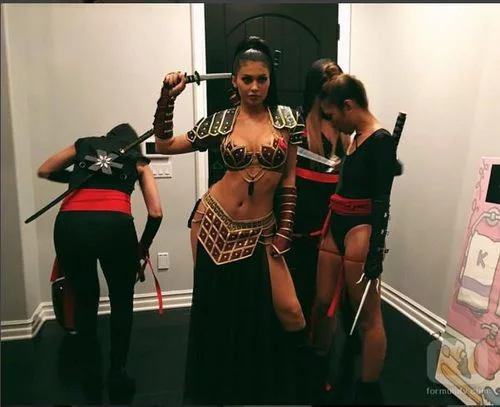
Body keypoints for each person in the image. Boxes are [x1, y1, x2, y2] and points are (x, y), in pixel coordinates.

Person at [153, 36, 308, 404]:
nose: (254, 87)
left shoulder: (287, 121)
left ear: (270, 80)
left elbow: (288, 179)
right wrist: (167, 99)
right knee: (217, 313)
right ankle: (220, 389)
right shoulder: (221, 122)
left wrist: (286, 228)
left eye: (262, 79)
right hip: (213, 224)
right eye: (247, 79)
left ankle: (287, 386)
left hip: (262, 229)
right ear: (235, 81)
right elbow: (164, 145)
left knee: (290, 311)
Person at [37, 123, 163, 402]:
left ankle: (90, 371)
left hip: (70, 226)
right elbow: (156, 212)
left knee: (84, 297)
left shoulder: (84, 144)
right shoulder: (137, 159)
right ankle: (117, 371)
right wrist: (141, 248)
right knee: (121, 301)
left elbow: (44, 170)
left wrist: (76, 179)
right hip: (115, 228)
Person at [312, 73, 400, 404]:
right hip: (336, 220)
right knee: (322, 300)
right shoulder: (356, 137)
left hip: (360, 229)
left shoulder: (379, 140)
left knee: (368, 316)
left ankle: (368, 386)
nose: (332, 123)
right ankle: (318, 360)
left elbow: (382, 203)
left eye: (333, 115)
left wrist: (376, 249)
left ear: (348, 106)